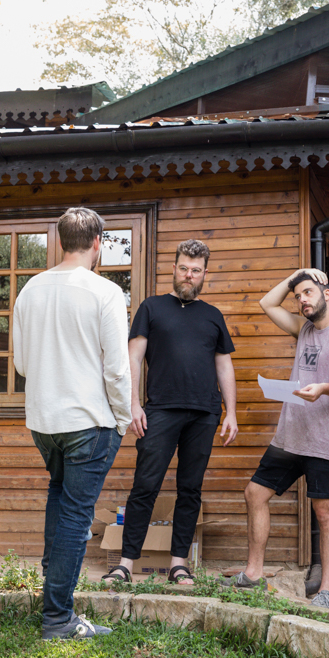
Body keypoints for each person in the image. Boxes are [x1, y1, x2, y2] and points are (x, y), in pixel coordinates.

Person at [12, 206, 131, 641]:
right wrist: (122, 419)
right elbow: (117, 371)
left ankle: (54, 599)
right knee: (77, 517)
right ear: (97, 243)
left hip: (44, 422)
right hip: (89, 422)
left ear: (62, 241)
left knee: (60, 501)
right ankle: (58, 618)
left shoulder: (29, 290)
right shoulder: (105, 294)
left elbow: (22, 364)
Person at [225, 268, 329, 610]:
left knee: (325, 512)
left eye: (308, 292)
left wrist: (324, 389)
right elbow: (266, 303)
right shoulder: (303, 329)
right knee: (254, 494)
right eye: (298, 296)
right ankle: (254, 572)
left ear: (327, 293)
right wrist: (295, 276)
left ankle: (328, 592)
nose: (302, 300)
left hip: (323, 440)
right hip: (289, 437)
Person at [101, 239, 238, 587]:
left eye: (195, 270)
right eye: (183, 268)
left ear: (204, 274)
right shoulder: (151, 308)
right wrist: (132, 404)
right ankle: (126, 564)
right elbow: (133, 358)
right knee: (145, 486)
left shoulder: (213, 316)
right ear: (173, 269)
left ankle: (179, 565)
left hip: (204, 413)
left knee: (190, 489)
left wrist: (231, 413)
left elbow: (225, 367)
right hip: (159, 411)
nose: (188, 275)